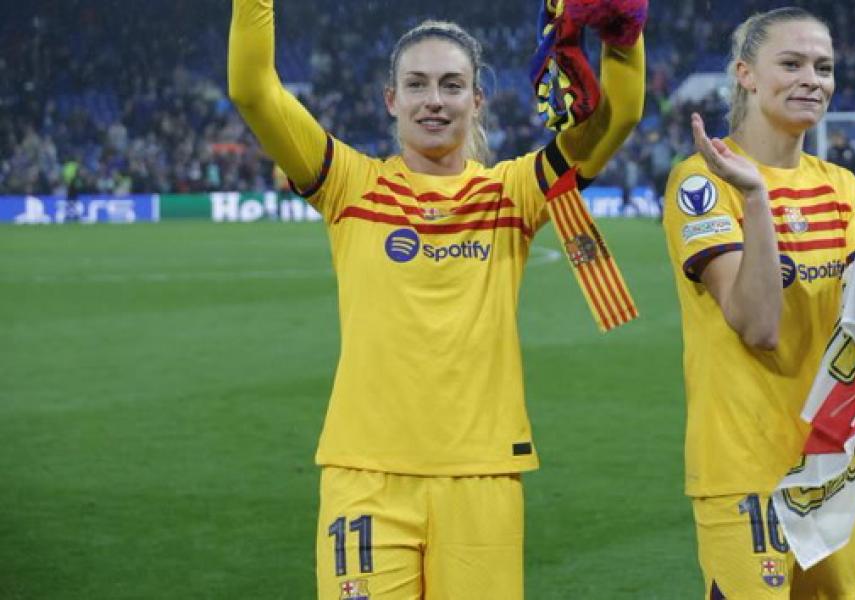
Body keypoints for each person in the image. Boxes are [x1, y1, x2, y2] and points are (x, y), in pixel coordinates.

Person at [227, 1, 644, 598]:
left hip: (484, 477)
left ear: (477, 101)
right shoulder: (350, 183)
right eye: (416, 85)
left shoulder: (514, 192)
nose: (434, 100)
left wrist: (624, 37)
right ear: (390, 98)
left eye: (453, 86)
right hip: (366, 475)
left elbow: (620, 115)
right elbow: (252, 89)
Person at [661, 8, 855, 599]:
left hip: (830, 468)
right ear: (746, 74)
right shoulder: (700, 182)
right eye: (792, 63)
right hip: (744, 469)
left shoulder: (841, 186)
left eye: (824, 67)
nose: (813, 78)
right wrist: (755, 197)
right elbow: (757, 324)